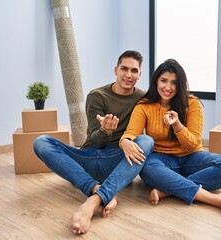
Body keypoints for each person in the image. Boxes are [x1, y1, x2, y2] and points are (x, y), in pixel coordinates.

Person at [33, 50, 154, 234]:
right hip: (88, 157)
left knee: (146, 141)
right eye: (124, 69)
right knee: (41, 142)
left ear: (139, 75)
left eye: (134, 71)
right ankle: (97, 188)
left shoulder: (142, 99)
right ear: (115, 70)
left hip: (115, 160)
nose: (128, 75)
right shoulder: (97, 96)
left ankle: (94, 200)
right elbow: (96, 142)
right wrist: (105, 130)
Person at [120, 59, 221, 215]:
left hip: (191, 157)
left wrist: (177, 124)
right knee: (147, 169)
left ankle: (169, 190)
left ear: (181, 84)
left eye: (174, 83)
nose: (168, 87)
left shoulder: (192, 103)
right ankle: (209, 198)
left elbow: (193, 144)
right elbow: (131, 132)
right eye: (163, 80)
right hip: (162, 159)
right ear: (156, 80)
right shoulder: (144, 105)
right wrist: (125, 142)